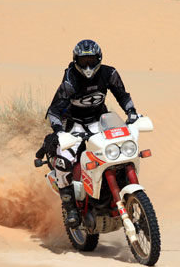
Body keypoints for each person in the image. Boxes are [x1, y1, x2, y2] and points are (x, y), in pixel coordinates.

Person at [35, 39, 141, 228]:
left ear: (99, 59)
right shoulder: (70, 80)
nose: (88, 66)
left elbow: (122, 95)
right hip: (73, 125)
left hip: (100, 121)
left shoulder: (109, 73)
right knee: (64, 161)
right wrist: (60, 132)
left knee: (119, 150)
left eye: (91, 60)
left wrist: (132, 112)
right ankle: (70, 208)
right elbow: (54, 111)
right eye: (83, 62)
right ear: (76, 61)